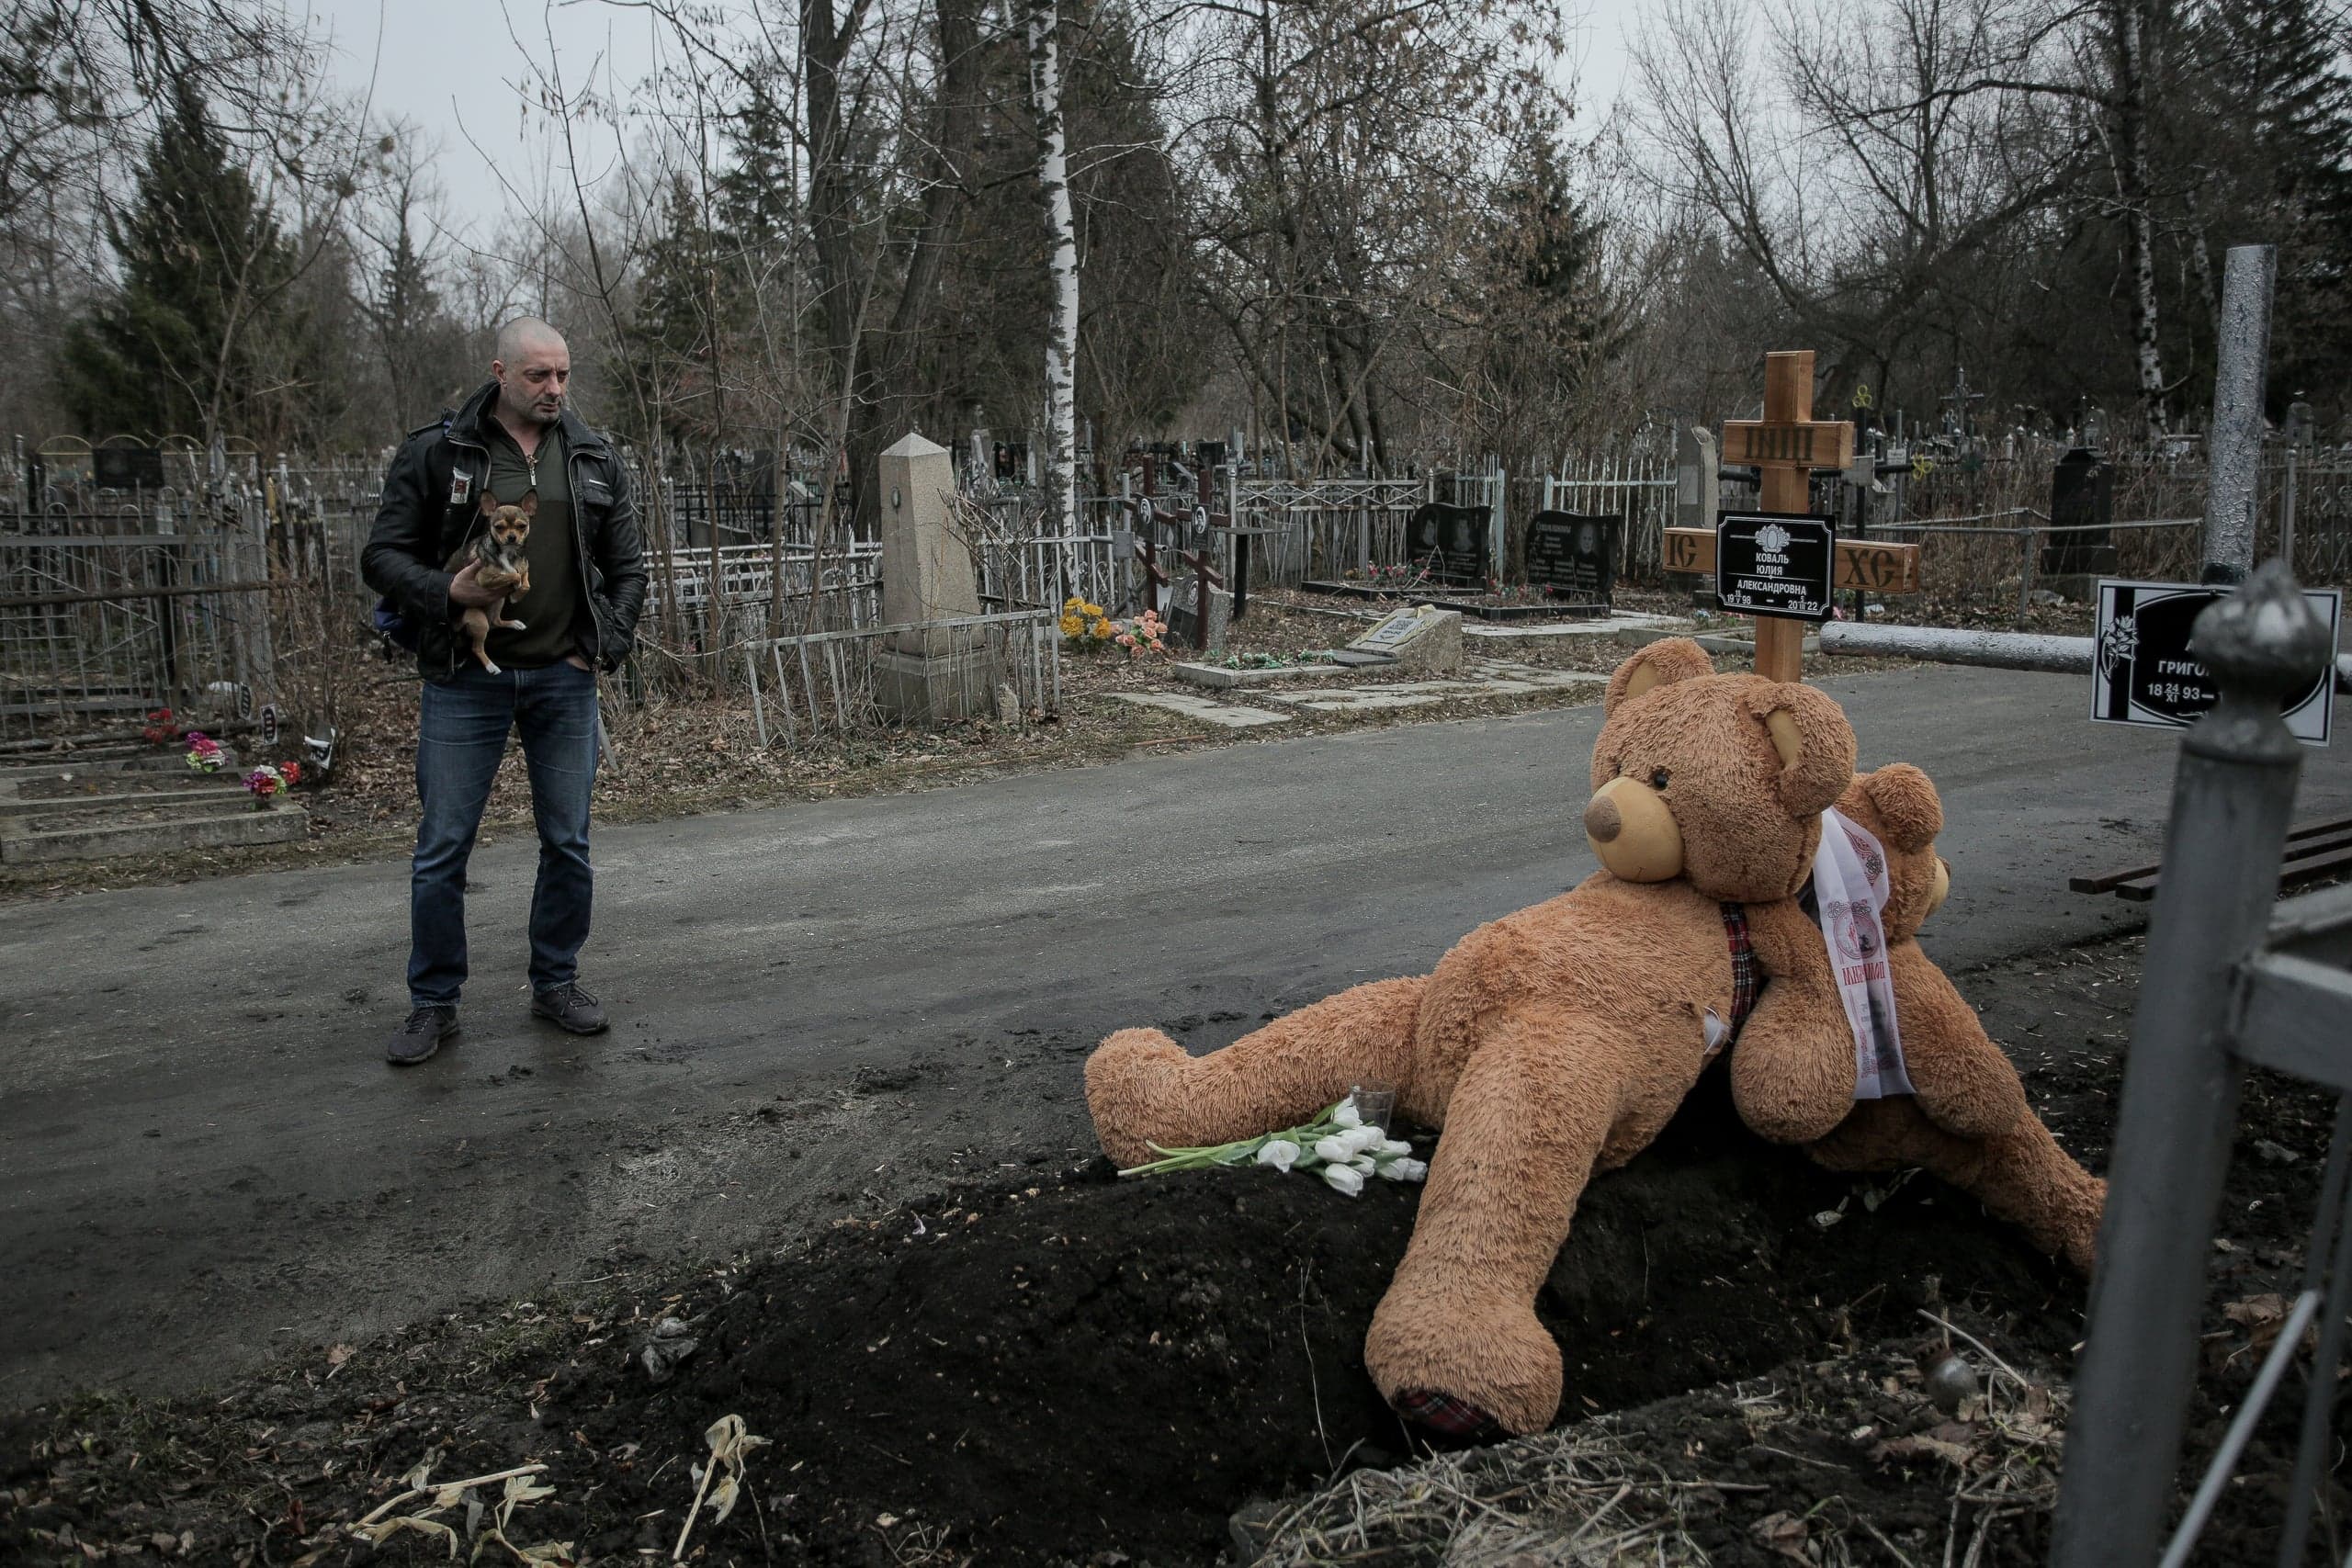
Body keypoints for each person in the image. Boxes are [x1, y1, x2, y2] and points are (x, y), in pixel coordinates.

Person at [361, 319, 648, 1066]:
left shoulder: (592, 457)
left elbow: (628, 567)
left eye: (563, 375)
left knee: (569, 843)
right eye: (538, 376)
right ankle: (433, 1002)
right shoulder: (439, 451)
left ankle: (557, 982)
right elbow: (382, 556)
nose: (554, 389)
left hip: (563, 677)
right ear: (500, 372)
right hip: (464, 678)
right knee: (442, 847)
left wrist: (602, 647)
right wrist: (442, 590)